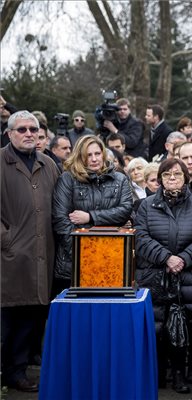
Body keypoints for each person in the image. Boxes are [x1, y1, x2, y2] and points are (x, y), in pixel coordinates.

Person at [134, 158, 192, 394]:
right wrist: (166, 257)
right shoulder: (146, 205)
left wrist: (183, 259)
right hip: (155, 275)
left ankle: (180, 375)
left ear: (185, 178)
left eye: (177, 175)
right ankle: (157, 375)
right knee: (157, 328)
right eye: (167, 175)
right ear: (160, 179)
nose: (172, 179)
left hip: (189, 275)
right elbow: (141, 236)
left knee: (184, 327)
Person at [1, 111, 60, 393]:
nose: (28, 134)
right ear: (9, 133)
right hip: (6, 258)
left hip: (40, 256)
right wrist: (7, 239)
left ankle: (17, 373)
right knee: (4, 323)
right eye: (21, 129)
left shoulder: (48, 164)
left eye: (33, 129)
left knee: (30, 322)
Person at [52, 135, 133, 294]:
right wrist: (84, 254)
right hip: (74, 263)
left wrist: (90, 216)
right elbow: (61, 221)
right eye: (88, 155)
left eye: (97, 153)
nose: (94, 159)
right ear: (80, 157)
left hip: (112, 258)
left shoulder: (120, 179)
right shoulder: (68, 179)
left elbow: (125, 211)